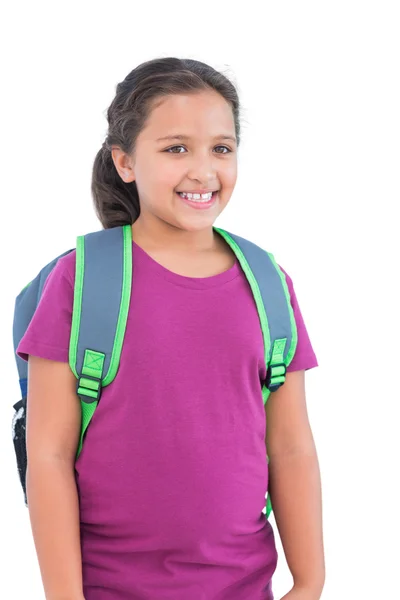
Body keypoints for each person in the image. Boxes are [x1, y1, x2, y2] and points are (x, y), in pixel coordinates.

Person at [17, 57, 325, 600]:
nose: (204, 171)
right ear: (125, 161)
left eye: (221, 148)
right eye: (175, 148)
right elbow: (48, 455)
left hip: (246, 587)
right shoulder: (82, 280)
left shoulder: (268, 282)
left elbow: (291, 444)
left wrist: (310, 582)